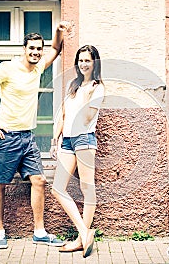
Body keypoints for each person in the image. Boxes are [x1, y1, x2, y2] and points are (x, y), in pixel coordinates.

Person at [0, 21, 71, 249]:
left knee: (38, 181)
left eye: (39, 49)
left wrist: (58, 32)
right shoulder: (8, 68)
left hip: (27, 137)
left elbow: (56, 50)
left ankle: (39, 231)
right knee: (0, 183)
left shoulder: (38, 67)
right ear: (24, 48)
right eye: (32, 48)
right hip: (6, 136)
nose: (36, 52)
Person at [50, 45, 105, 258]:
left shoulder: (98, 88)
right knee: (58, 188)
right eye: (80, 60)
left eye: (87, 61)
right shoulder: (72, 85)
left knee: (86, 187)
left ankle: (80, 240)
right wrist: (55, 139)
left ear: (94, 63)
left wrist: (86, 96)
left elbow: (85, 119)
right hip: (67, 141)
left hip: (84, 139)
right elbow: (63, 114)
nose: (83, 64)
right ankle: (84, 233)